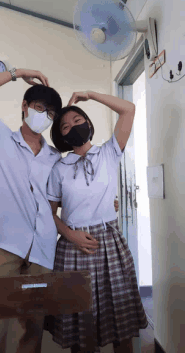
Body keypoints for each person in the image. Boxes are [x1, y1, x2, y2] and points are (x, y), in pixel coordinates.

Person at [0, 69, 119, 353]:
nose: (45, 116)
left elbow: (66, 197)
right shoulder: (0, 137)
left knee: (32, 323)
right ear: (24, 107)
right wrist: (17, 73)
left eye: (51, 113)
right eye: (40, 108)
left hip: (42, 248)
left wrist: (106, 201)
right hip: (4, 242)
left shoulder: (55, 158)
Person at [45, 90, 149, 353]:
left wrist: (90, 94)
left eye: (78, 121)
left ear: (89, 124)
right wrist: (70, 235)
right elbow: (49, 213)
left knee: (121, 327)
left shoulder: (109, 153)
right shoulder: (59, 168)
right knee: (82, 332)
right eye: (66, 126)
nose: (73, 127)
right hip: (72, 248)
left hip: (109, 244)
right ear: (62, 136)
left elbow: (128, 109)